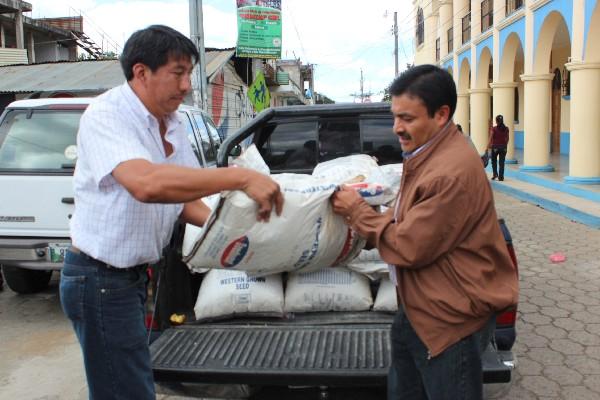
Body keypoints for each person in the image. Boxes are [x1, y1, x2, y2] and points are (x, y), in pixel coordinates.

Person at [60, 25, 283, 400]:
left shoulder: (174, 123)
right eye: (177, 73)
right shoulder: (107, 115)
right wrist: (239, 178)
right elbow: (147, 184)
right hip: (98, 280)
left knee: (130, 384)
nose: (185, 86)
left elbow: (184, 202)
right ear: (141, 72)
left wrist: (242, 237)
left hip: (128, 281)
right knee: (125, 391)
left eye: (189, 74)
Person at [331, 65, 518, 400]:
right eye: (395, 116)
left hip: (449, 321)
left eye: (407, 118)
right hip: (420, 308)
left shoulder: (450, 172)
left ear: (441, 114)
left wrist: (357, 212)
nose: (396, 128)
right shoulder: (428, 153)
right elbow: (413, 217)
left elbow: (408, 245)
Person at [487, 114, 509, 181]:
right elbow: (507, 138)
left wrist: (487, 147)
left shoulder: (494, 129)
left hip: (495, 148)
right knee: (502, 162)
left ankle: (495, 174)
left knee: (494, 161)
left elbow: (490, 138)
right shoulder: (506, 129)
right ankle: (501, 177)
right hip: (504, 147)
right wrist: (505, 145)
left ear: (496, 121)